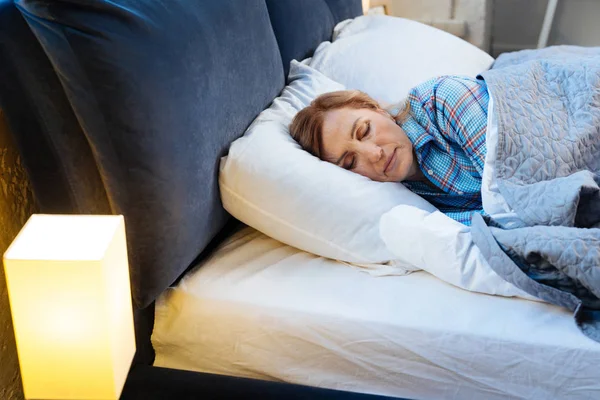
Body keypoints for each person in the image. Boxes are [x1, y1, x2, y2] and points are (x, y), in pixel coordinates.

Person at [289, 76, 489, 225]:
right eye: (350, 162)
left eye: (365, 131)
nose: (374, 154)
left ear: (378, 110)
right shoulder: (400, 203)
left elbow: (513, 189)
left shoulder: (441, 100)